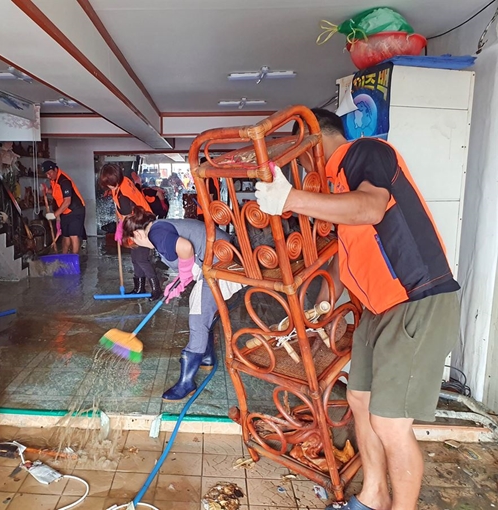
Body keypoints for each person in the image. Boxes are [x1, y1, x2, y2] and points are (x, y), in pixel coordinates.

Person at [254, 108, 460, 510]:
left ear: (312, 138)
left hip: (417, 299)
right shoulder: (333, 186)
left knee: (390, 423)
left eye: (293, 151)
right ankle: (373, 497)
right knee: (360, 402)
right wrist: (322, 305)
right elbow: (346, 247)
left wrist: (291, 199)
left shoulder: (364, 152)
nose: (294, 165)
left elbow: (370, 208)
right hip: (376, 310)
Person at [122, 208, 243, 400]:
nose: (136, 245)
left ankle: (186, 383)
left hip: (222, 263)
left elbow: (186, 248)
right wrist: (179, 281)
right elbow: (187, 259)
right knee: (203, 311)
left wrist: (185, 275)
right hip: (218, 259)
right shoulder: (159, 229)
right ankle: (206, 357)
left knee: (197, 316)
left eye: (133, 242)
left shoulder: (156, 233)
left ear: (137, 233)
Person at [99, 164, 162, 299]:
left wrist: (121, 230)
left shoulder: (123, 195)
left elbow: (128, 219)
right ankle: (138, 288)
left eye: (109, 183)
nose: (109, 186)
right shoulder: (123, 182)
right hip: (139, 221)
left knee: (141, 258)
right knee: (135, 259)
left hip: (142, 225)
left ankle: (156, 289)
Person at [42, 161, 86, 255]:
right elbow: (56, 192)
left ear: (55, 169)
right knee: (65, 235)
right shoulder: (54, 180)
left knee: (73, 235)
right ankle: (64, 258)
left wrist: (54, 215)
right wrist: (47, 190)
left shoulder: (64, 180)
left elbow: (67, 201)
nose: (48, 176)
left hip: (76, 210)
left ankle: (74, 261)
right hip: (65, 211)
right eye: (46, 174)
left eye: (49, 173)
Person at [196, 156, 221, 221]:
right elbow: (211, 196)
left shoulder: (207, 178)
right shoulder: (209, 178)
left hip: (204, 211)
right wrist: (214, 212)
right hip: (208, 213)